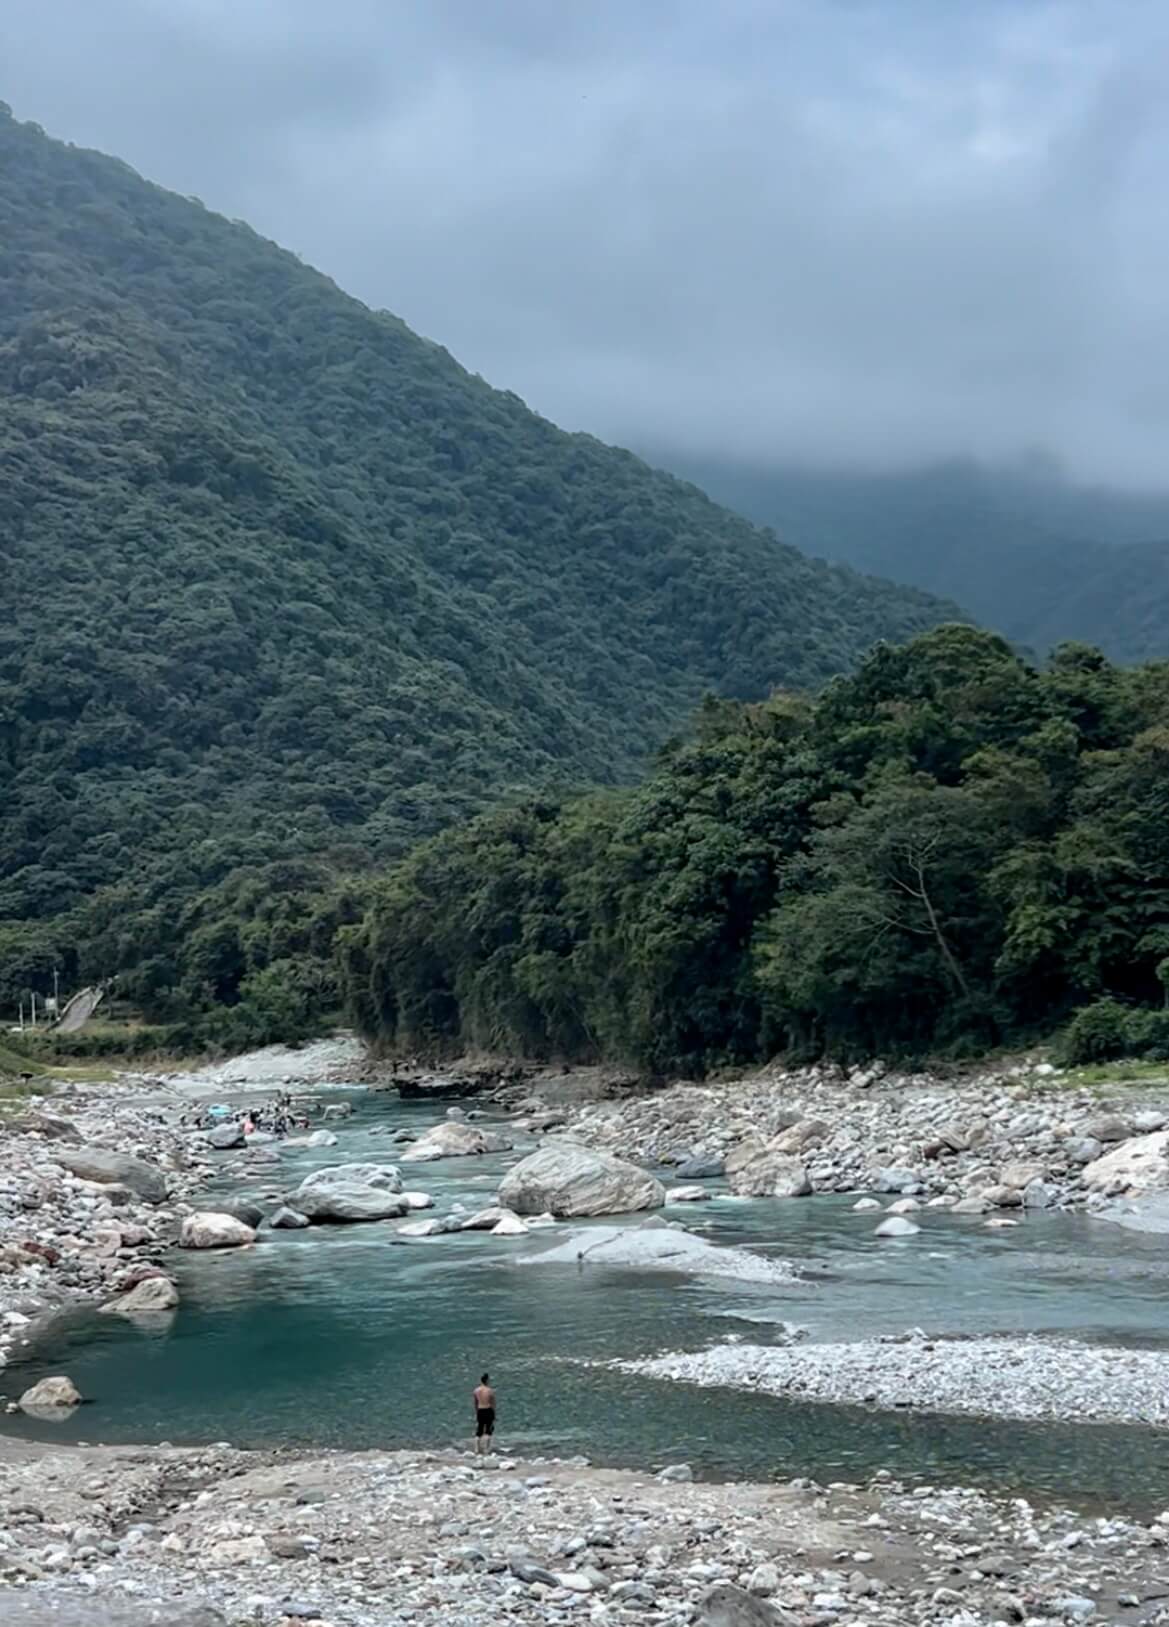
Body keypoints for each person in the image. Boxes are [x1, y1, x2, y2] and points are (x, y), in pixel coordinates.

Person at [472, 1372, 496, 1456]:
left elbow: (475, 1403)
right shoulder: (490, 1390)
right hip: (488, 1409)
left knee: (479, 1429)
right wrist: (494, 1413)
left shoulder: (476, 1390)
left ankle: (476, 1448)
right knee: (489, 1429)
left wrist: (476, 1412)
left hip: (480, 1409)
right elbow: (492, 1403)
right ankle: (486, 1449)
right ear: (487, 1380)